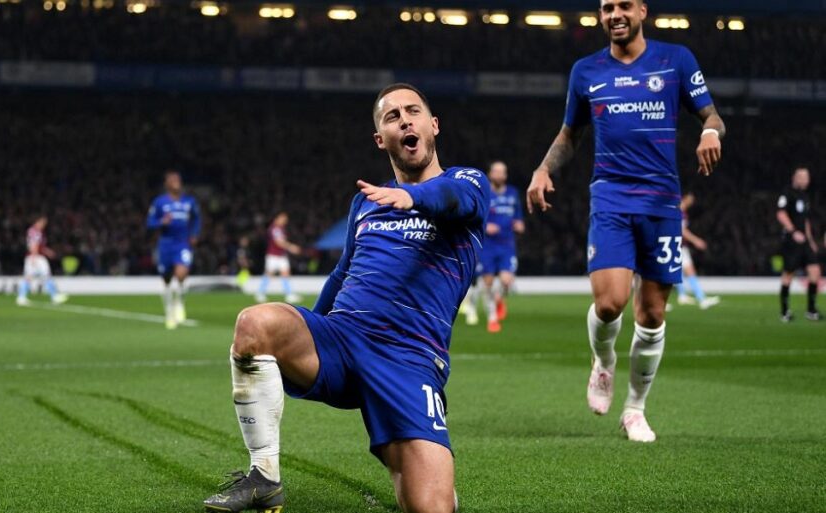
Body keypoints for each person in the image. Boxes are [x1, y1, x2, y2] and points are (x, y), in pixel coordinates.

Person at [203, 83, 488, 513]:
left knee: (431, 506)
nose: (404, 120)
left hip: (408, 359)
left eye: (413, 111)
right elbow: (341, 274)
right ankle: (264, 477)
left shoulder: (467, 183)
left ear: (433, 125)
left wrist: (411, 196)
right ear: (380, 139)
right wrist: (309, 329)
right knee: (255, 324)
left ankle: (417, 465)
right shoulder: (366, 203)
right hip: (342, 338)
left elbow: (457, 199)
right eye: (392, 116)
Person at [526, 0, 725, 442]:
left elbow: (711, 114)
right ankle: (603, 361)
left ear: (642, 11)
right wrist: (543, 169)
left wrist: (710, 131)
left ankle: (635, 409)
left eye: (623, 6)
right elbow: (570, 134)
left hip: (661, 202)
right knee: (610, 304)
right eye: (606, 8)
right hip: (611, 197)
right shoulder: (586, 71)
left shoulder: (676, 60)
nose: (614, 15)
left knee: (652, 314)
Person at [146, 170, 201, 330]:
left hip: (182, 244)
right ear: (167, 184)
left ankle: (179, 303)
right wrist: (161, 222)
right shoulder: (159, 202)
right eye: (173, 179)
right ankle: (169, 312)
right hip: (165, 244)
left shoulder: (189, 201)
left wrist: (194, 234)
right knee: (167, 280)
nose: (177, 181)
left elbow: (197, 218)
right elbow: (149, 223)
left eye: (178, 179)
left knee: (182, 274)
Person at [479, 161, 525, 333]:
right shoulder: (484, 193)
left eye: (502, 172)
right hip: (487, 245)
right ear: (490, 174)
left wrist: (519, 223)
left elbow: (518, 215)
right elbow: (475, 216)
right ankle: (492, 318)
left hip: (507, 244)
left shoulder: (513, 193)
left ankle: (499, 299)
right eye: (496, 172)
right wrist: (485, 226)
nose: (499, 175)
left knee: (506, 281)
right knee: (488, 282)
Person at [776, 167, 821, 322]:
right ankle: (784, 312)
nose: (806, 180)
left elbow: (805, 220)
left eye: (807, 177)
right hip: (791, 241)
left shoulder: (805, 196)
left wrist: (810, 240)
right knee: (788, 274)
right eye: (803, 177)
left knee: (815, 271)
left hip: (804, 241)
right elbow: (781, 213)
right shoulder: (787, 194)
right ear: (795, 178)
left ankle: (811, 310)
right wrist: (793, 231)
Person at [674, 193, 720, 309]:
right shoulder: (680, 213)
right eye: (690, 199)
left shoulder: (678, 212)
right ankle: (701, 299)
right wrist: (696, 241)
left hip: (676, 245)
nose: (691, 202)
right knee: (690, 271)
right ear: (684, 198)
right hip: (680, 246)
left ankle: (682, 295)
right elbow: (682, 231)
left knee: (679, 271)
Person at [16, 215, 68, 306]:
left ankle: (21, 297)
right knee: (46, 275)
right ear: (37, 221)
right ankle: (54, 296)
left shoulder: (32, 231)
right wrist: (34, 257)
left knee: (28, 277)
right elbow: (34, 245)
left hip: (33, 256)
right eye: (43, 222)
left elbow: (39, 246)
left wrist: (48, 252)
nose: (44, 225)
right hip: (36, 257)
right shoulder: (36, 232)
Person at [255, 212, 302, 304]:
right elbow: (278, 242)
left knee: (286, 273)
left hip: (281, 255)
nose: (285, 221)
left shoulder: (280, 229)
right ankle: (260, 293)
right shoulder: (275, 229)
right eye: (283, 219)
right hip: (273, 255)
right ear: (277, 218)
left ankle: (289, 295)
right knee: (269, 274)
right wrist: (291, 247)